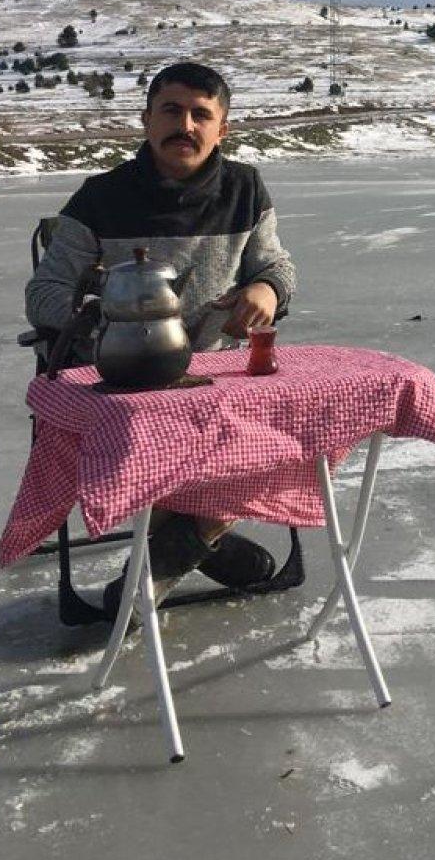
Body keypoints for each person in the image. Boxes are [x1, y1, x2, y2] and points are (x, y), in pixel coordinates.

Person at [26, 61, 297, 616]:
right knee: (165, 445)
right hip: (121, 378)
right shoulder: (100, 198)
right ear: (146, 119)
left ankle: (165, 560)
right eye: (172, 111)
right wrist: (113, 319)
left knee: (276, 445)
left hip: (215, 371)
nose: (186, 126)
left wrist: (267, 289)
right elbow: (45, 292)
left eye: (203, 115)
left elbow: (276, 264)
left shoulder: (245, 189)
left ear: (223, 129)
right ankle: (191, 547)